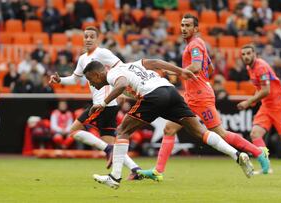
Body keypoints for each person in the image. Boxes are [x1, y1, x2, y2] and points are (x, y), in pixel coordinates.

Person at [85, 59, 254, 189]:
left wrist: (103, 102)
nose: (91, 84)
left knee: (122, 131)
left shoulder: (112, 74)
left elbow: (121, 85)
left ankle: (114, 178)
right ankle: (237, 155)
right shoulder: (131, 65)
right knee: (199, 131)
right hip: (170, 91)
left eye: (89, 80)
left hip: (152, 95)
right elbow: (157, 63)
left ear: (96, 74)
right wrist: (180, 71)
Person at [139, 14, 269, 181]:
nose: (184, 28)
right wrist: (200, 79)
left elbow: (197, 66)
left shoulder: (195, 44)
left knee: (220, 133)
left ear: (196, 29)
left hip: (200, 97)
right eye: (182, 25)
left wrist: (177, 72)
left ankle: (259, 153)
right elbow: (211, 67)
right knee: (169, 129)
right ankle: (158, 171)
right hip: (192, 96)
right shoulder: (197, 45)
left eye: (187, 25)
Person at [48, 26, 142, 180]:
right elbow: (75, 79)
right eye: (86, 36)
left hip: (103, 104)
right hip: (104, 106)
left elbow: (121, 68)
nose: (88, 39)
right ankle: (135, 169)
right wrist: (60, 80)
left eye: (92, 36)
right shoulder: (83, 58)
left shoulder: (103, 53)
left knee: (74, 131)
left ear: (97, 39)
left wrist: (121, 90)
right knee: (111, 143)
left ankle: (108, 150)